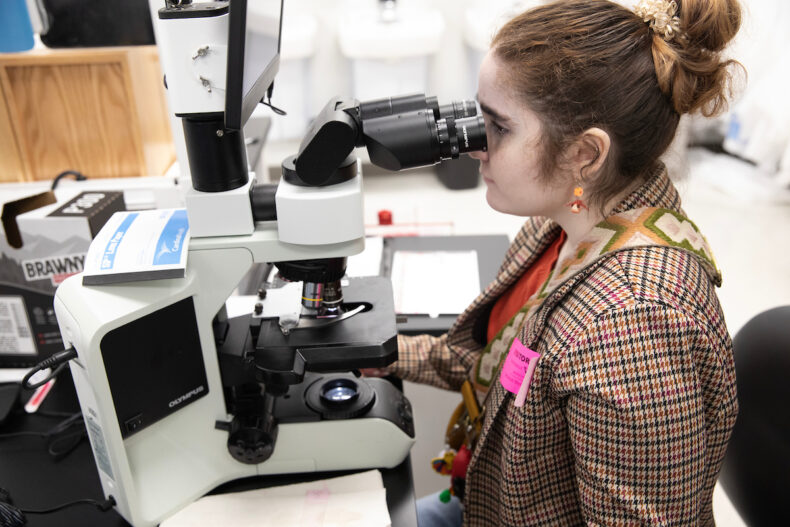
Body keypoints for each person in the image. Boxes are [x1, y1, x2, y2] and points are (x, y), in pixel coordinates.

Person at [365, 0, 743, 525]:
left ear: (585, 154)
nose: (475, 147)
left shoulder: (632, 326)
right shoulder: (562, 223)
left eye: (499, 127)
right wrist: (380, 353)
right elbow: (498, 359)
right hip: (482, 502)